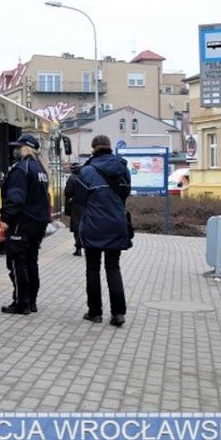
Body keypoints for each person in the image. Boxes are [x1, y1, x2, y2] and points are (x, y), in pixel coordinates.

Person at [74, 134, 131, 327]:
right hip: (116, 224)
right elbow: (125, 194)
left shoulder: (87, 171)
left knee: (93, 269)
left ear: (93, 149)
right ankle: (118, 313)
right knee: (113, 268)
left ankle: (95, 312)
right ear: (110, 147)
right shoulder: (122, 168)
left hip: (94, 225)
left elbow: (80, 201)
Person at [0, 133, 50, 315]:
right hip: (38, 223)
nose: (15, 150)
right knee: (31, 261)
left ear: (26, 148)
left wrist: (5, 217)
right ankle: (32, 301)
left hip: (22, 222)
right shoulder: (40, 169)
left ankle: (22, 302)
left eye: (18, 146)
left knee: (17, 262)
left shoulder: (22, 169)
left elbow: (16, 198)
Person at [63, 163, 85, 256]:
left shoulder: (72, 178)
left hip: (76, 205)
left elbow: (68, 192)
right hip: (86, 205)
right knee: (84, 226)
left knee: (76, 226)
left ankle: (78, 248)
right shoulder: (85, 177)